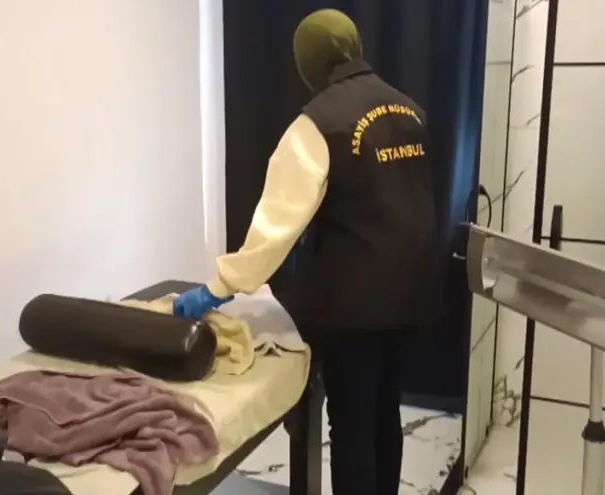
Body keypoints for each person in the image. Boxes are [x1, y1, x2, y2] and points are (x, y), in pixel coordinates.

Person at [173, 8, 439, 495]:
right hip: (411, 290)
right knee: (385, 412)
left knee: (353, 424)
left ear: (308, 64)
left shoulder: (317, 126)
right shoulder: (409, 110)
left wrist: (219, 286)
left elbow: (276, 227)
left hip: (356, 306)